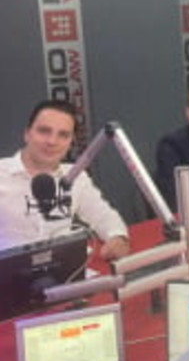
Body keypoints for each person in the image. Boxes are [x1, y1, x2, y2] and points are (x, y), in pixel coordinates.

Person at [0, 100, 130, 260]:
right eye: (44, 131)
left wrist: (118, 238)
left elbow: (104, 215)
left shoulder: (75, 175)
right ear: (27, 134)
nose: (52, 141)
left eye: (63, 135)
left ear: (70, 142)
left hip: (65, 269)